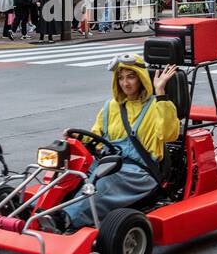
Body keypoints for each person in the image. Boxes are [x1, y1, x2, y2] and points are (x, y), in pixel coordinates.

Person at [57, 54, 180, 231]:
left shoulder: (157, 106)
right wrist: (78, 136)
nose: (125, 83)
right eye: (121, 78)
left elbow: (170, 134)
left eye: (131, 77)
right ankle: (34, 208)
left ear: (141, 78)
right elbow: (96, 136)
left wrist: (160, 91)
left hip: (139, 171)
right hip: (107, 162)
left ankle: (66, 219)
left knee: (104, 184)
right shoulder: (111, 106)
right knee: (70, 173)